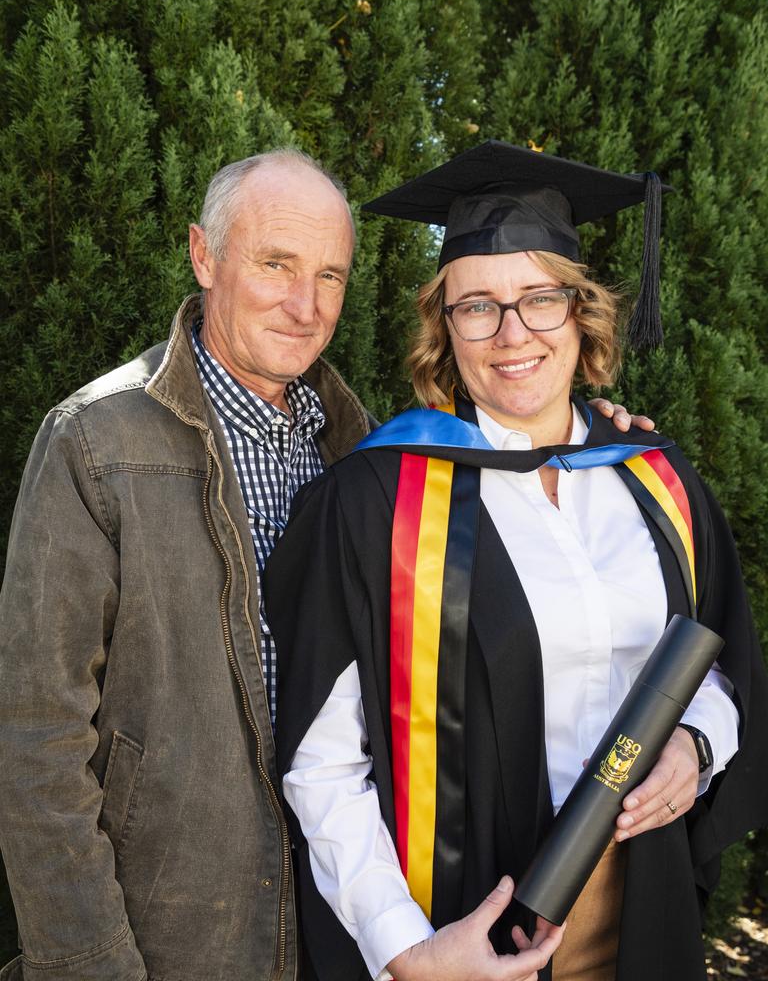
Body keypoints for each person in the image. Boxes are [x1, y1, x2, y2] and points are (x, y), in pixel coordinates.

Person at [0, 144, 645, 981]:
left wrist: (596, 447)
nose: (306, 305)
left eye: (331, 276)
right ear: (204, 254)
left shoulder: (366, 456)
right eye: (276, 264)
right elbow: (36, 740)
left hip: (335, 934)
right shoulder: (100, 443)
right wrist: (90, 967)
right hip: (173, 934)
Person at [267, 141, 768, 981]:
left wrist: (697, 746)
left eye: (540, 299)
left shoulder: (657, 481)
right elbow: (321, 765)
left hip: (645, 909)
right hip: (467, 934)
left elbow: (726, 664)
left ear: (581, 311)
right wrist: (407, 952)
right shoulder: (375, 504)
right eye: (477, 307)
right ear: (443, 326)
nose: (512, 334)